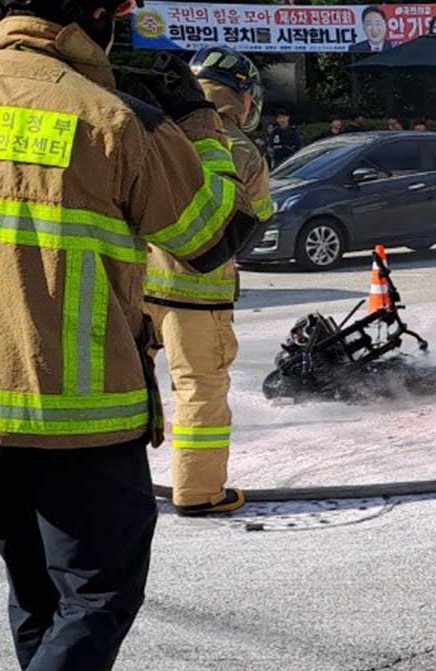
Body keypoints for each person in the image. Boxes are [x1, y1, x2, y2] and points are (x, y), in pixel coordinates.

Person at [0, 0, 258, 671]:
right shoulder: (115, 119)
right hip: (80, 409)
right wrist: (199, 128)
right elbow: (211, 238)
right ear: (99, 19)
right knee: (99, 593)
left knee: (36, 589)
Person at [145, 45, 274, 517]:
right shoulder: (240, 149)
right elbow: (250, 228)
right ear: (242, 96)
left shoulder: (156, 129)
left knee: (126, 384)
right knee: (200, 390)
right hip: (198, 295)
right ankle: (199, 492)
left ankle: (118, 485)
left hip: (136, 284)